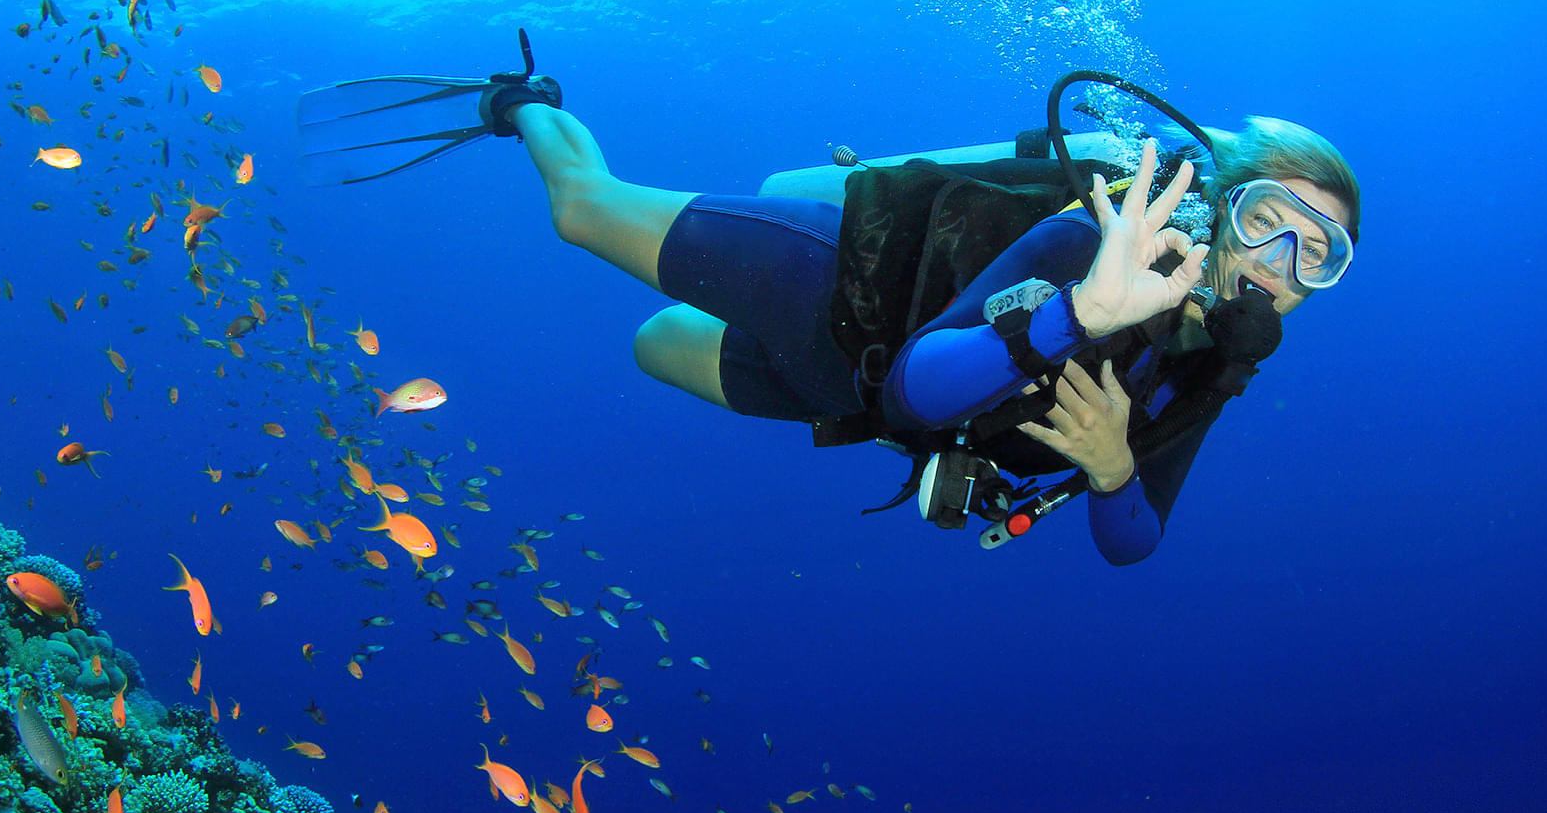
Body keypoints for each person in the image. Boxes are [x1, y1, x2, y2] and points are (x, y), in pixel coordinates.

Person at [496, 88, 1361, 566]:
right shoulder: (1096, 238)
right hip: (849, 287)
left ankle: (718, 257)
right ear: (1222, 208)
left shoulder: (1204, 369)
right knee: (582, 211)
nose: (1279, 262)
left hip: (843, 391)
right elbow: (919, 379)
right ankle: (524, 101)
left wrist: (1113, 467)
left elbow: (1133, 542)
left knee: (651, 344)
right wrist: (1082, 311)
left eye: (1317, 254)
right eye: (1268, 221)